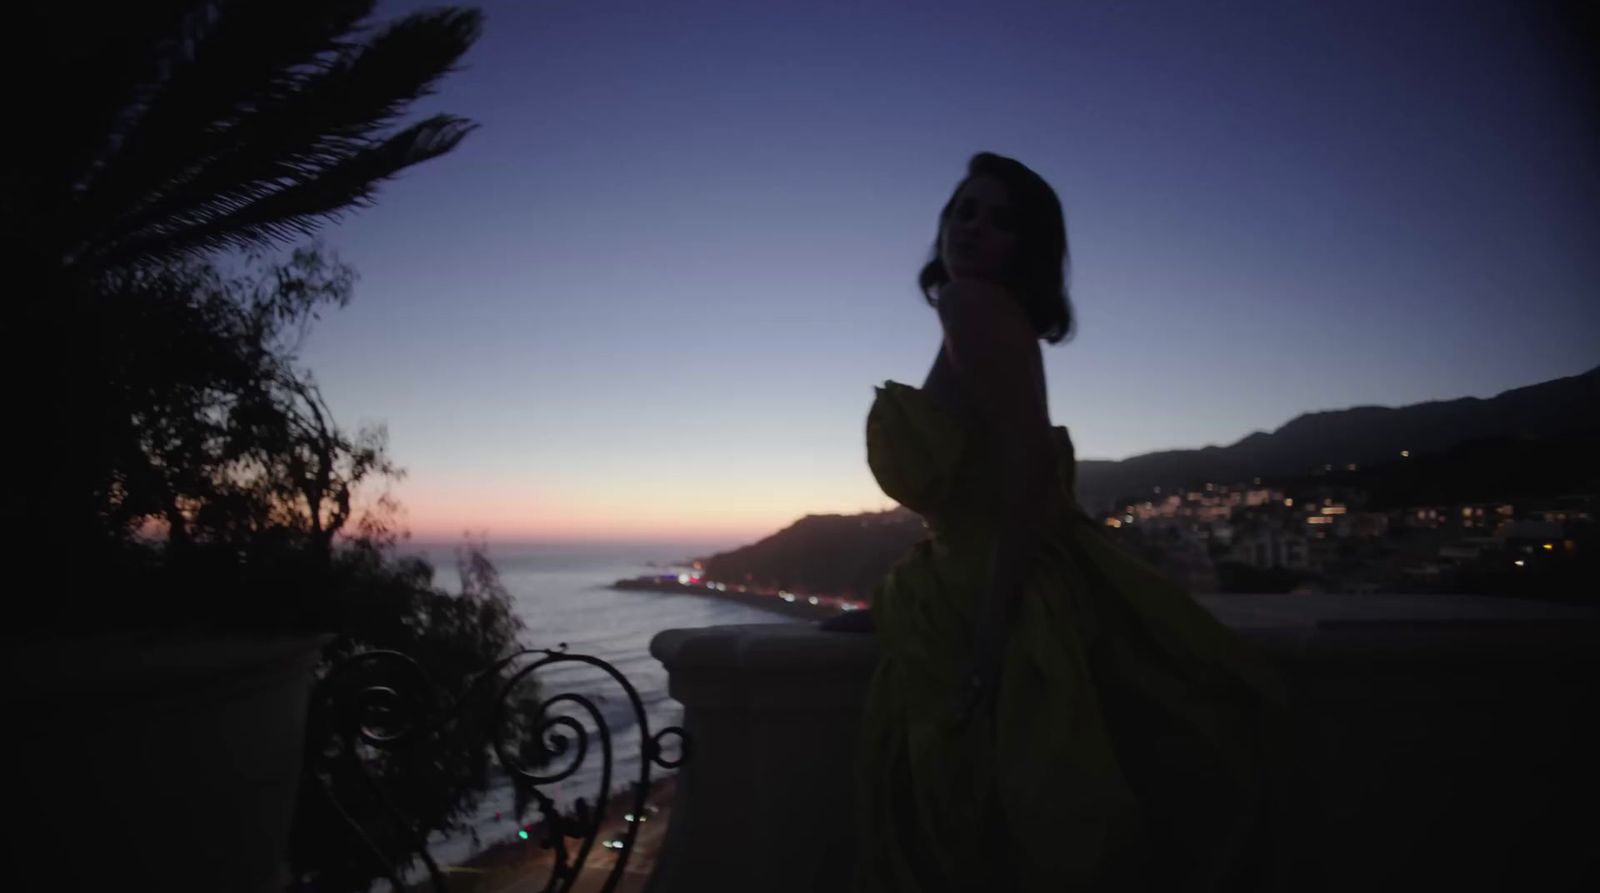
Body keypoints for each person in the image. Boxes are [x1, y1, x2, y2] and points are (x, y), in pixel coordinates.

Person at [820, 152, 1289, 891]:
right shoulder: (989, 315)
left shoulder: (969, 305)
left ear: (1027, 248)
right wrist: (897, 606)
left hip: (985, 585)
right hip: (964, 577)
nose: (973, 228)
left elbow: (1027, 474)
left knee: (971, 822)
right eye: (964, 209)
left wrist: (985, 632)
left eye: (1000, 219)